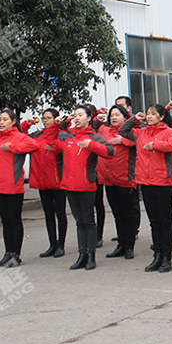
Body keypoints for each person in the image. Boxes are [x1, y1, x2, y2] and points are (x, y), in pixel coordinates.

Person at [42, 106, 114, 271]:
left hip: (86, 185)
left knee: (88, 221)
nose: (77, 118)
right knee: (79, 222)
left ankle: (91, 256)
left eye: (80, 115)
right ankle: (82, 255)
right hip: (69, 185)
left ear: (89, 118)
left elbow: (109, 152)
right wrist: (56, 125)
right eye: (75, 115)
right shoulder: (69, 137)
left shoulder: (94, 137)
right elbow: (51, 141)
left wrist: (91, 144)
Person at [119, 105, 172, 272]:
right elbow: (123, 131)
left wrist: (155, 145)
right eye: (148, 114)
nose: (149, 116)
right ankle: (157, 255)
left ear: (161, 117)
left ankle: (167, 256)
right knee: (154, 221)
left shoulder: (168, 132)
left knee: (165, 220)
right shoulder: (141, 132)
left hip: (162, 181)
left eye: (153, 114)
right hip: (145, 181)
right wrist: (135, 119)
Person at [0, 110, 39, 268]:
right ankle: (7, 253)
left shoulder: (19, 137)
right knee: (5, 221)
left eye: (5, 119)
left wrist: (13, 147)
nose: (1, 122)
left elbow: (34, 145)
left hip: (13, 186)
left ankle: (16, 255)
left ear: (13, 121)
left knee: (15, 221)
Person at [24, 109, 68, 258]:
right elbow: (19, 137)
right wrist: (25, 125)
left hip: (58, 180)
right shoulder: (37, 136)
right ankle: (52, 244)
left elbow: (69, 152)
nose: (45, 121)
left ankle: (61, 244)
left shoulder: (61, 136)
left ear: (56, 119)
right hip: (42, 180)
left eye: (49, 118)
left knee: (60, 213)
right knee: (48, 214)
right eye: (44, 118)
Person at [98, 105, 140, 260]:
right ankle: (121, 244)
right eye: (112, 115)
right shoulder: (104, 131)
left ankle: (129, 245)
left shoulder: (131, 133)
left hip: (125, 179)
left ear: (125, 117)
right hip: (109, 179)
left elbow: (135, 142)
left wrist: (122, 139)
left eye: (117, 115)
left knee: (128, 214)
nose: (113, 118)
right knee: (117, 215)